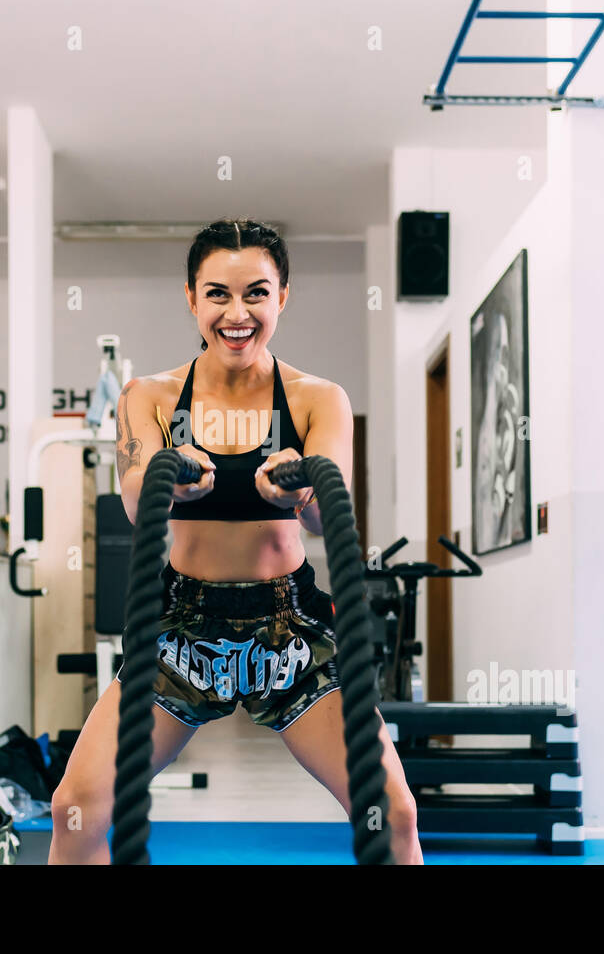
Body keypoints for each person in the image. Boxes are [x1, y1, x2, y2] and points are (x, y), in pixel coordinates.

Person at [48, 218, 422, 864]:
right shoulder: (151, 397)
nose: (237, 312)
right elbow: (137, 499)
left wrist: (295, 490)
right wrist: (173, 484)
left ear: (283, 298)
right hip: (183, 628)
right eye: (217, 293)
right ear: (191, 299)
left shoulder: (316, 399)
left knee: (391, 814)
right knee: (76, 810)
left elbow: (321, 514)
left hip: (289, 628)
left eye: (257, 292)